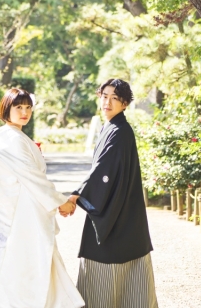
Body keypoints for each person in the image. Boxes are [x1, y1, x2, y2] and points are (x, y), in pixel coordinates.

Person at [0, 88, 84, 308]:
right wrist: (61, 201)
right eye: (18, 107)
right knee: (31, 264)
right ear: (6, 108)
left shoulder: (14, 136)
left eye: (28, 107)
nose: (24, 112)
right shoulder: (13, 139)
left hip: (27, 211)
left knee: (30, 263)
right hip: (25, 214)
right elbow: (32, 176)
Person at [66, 78, 158, 308]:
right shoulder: (112, 127)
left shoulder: (119, 131)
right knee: (129, 277)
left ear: (125, 103)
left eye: (114, 98)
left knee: (107, 260)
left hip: (117, 212)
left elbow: (102, 171)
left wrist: (76, 195)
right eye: (104, 96)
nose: (107, 102)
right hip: (124, 211)